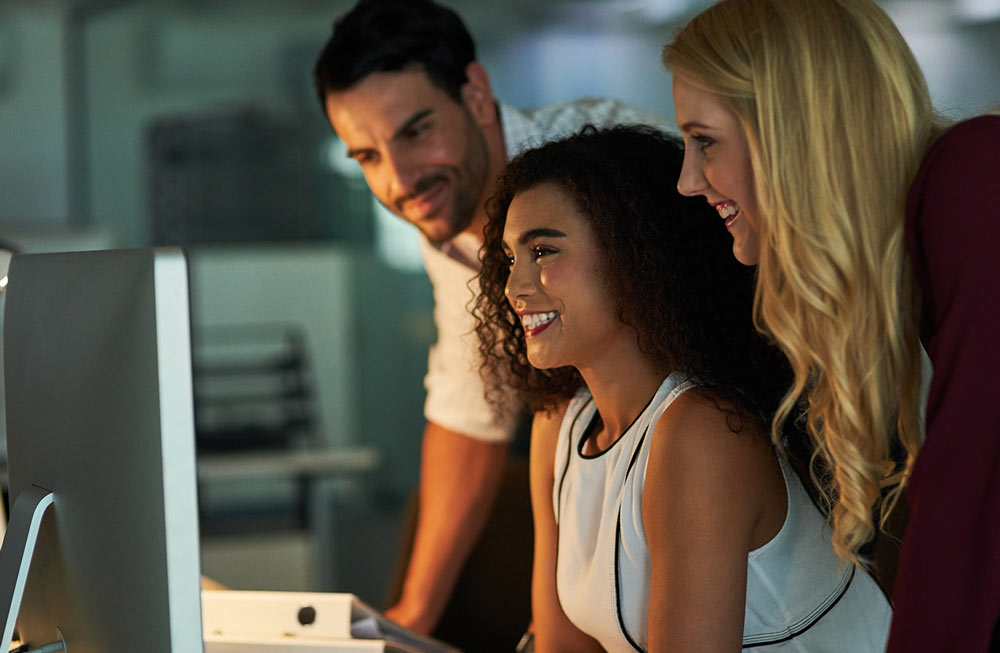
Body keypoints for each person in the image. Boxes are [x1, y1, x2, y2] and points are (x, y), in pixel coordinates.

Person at [311, 0, 665, 646]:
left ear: (475, 93)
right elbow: (470, 404)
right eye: (367, 156)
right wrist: (411, 617)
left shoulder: (611, 172)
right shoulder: (450, 226)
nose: (399, 180)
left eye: (416, 131)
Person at [474, 124, 891, 652]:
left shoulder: (702, 432)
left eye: (544, 251)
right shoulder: (559, 426)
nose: (514, 287)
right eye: (513, 258)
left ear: (634, 253)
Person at [664, 1, 1000, 650]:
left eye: (704, 141)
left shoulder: (972, 174)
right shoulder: (906, 266)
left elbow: (972, 493)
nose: (687, 180)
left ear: (792, 130)